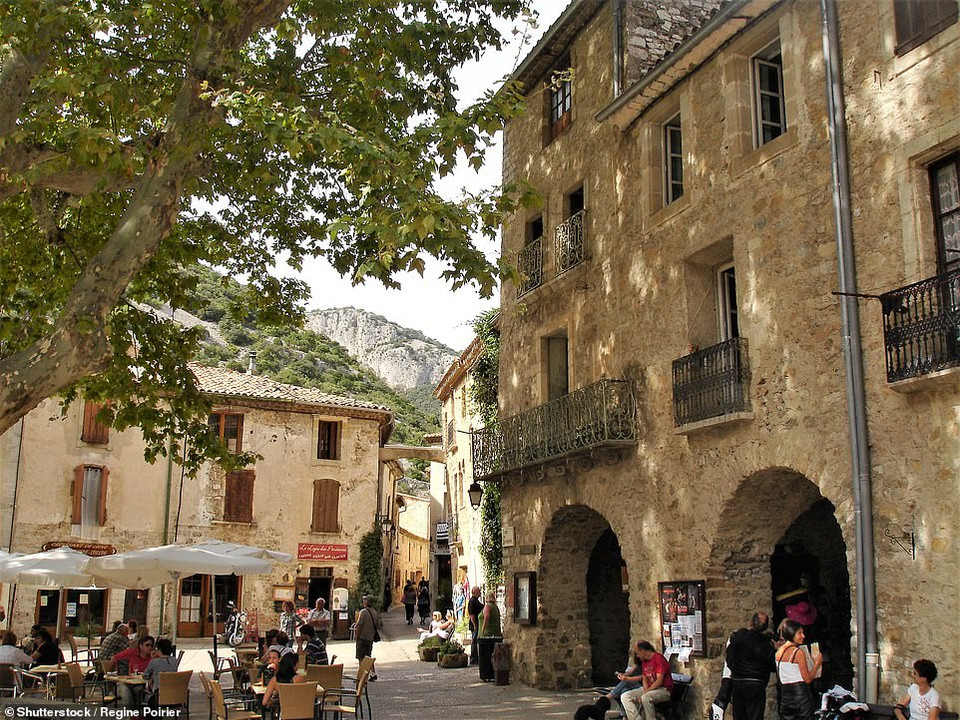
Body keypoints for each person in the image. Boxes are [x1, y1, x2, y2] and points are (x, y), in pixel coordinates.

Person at [726, 612, 777, 720]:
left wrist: (735, 670)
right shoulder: (766, 646)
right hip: (756, 683)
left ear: (751, 623)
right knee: (755, 716)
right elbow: (773, 667)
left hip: (738, 681)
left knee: (739, 716)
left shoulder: (740, 636)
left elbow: (729, 656)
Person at [775, 619, 821, 720]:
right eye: (799, 633)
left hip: (785, 697)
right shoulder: (798, 653)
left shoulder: (778, 652)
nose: (803, 636)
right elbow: (808, 679)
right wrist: (817, 663)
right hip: (800, 697)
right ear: (791, 634)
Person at [620, 640, 673, 720]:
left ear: (643, 651)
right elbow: (645, 679)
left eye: (638, 653)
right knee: (625, 696)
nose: (637, 656)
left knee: (646, 697)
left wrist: (646, 692)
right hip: (649, 689)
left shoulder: (658, 659)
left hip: (663, 689)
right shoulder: (645, 662)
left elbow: (659, 681)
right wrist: (645, 690)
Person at [113, 635, 156, 707]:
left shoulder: (152, 657)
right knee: (126, 693)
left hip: (139, 683)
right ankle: (129, 716)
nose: (150, 648)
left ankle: (137, 714)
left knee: (139, 691)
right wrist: (111, 670)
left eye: (151, 646)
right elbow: (115, 658)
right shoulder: (131, 652)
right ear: (140, 645)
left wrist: (153, 658)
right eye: (147, 645)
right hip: (124, 682)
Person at [605, 641, 644, 717]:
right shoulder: (637, 662)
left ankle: (609, 696)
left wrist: (627, 678)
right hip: (635, 682)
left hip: (641, 683)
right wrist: (623, 675)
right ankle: (624, 716)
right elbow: (630, 671)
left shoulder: (647, 662)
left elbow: (644, 676)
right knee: (624, 690)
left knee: (626, 682)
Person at [142, 638, 178, 707]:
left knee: (142, 695)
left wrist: (152, 658)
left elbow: (145, 676)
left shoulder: (154, 662)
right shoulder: (174, 661)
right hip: (173, 695)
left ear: (160, 650)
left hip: (158, 696)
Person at [477, 591, 501, 682]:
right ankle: (492, 673)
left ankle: (486, 674)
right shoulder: (495, 607)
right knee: (492, 654)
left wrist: (482, 631)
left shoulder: (488, 606)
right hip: (495, 634)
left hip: (487, 634)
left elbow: (486, 617)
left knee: (486, 656)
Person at [354, 595, 380, 667]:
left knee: (361, 658)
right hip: (370, 638)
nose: (363, 602)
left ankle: (361, 674)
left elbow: (359, 625)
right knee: (368, 657)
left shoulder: (363, 612)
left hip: (362, 638)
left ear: (366, 602)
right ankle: (372, 673)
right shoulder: (375, 612)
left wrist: (357, 636)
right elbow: (377, 626)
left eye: (364, 600)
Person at [467, 586, 483, 665]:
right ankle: (474, 658)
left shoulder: (475, 600)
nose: (480, 592)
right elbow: (472, 615)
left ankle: (475, 657)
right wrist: (475, 625)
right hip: (475, 624)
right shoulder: (473, 601)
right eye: (479, 591)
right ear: (475, 592)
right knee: (474, 641)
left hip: (476, 624)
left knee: (475, 641)